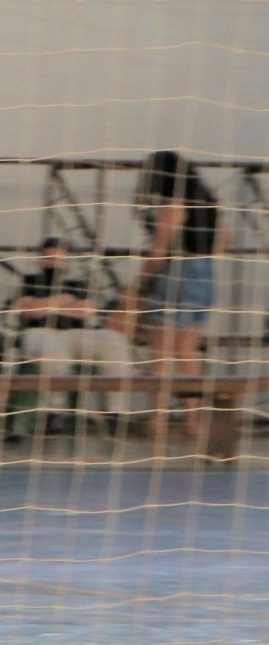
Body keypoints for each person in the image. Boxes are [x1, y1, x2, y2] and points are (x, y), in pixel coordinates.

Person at [132, 150, 221, 440]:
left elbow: (157, 253)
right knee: (187, 352)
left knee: (160, 351)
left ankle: (157, 421)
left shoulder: (173, 206)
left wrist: (136, 285)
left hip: (176, 274)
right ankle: (192, 421)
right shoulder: (209, 203)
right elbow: (225, 238)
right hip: (205, 273)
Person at [15, 235, 134, 430]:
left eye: (58, 259)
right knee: (52, 351)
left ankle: (115, 411)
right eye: (49, 259)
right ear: (40, 260)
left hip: (76, 333)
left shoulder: (78, 283)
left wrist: (47, 305)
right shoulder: (30, 281)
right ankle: (54, 412)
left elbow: (85, 310)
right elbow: (29, 310)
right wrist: (64, 300)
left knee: (113, 340)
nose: (53, 264)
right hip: (40, 332)